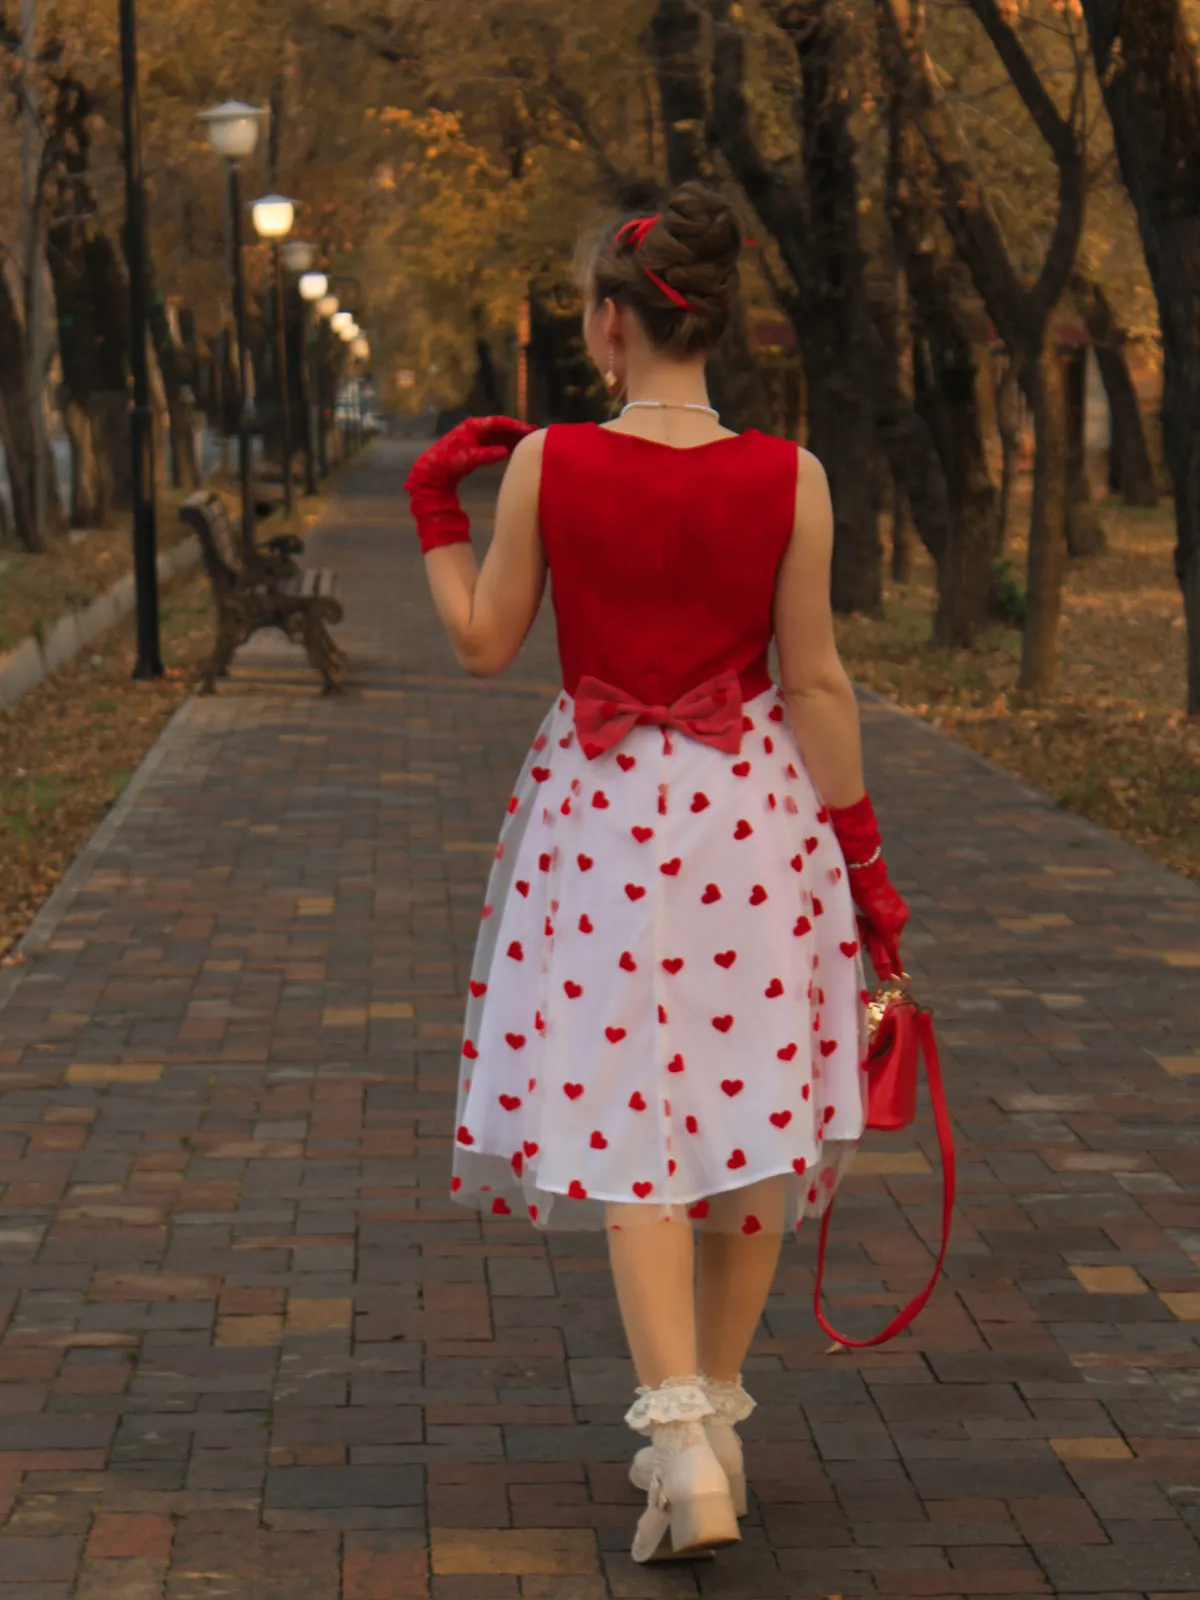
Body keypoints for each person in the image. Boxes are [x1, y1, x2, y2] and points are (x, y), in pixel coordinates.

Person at [404, 182, 909, 1564]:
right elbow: (814, 678)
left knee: (630, 1117)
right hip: (756, 813)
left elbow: (481, 644)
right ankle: (721, 1423)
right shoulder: (790, 474)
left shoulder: (556, 463)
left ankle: (680, 1443)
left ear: (611, 324)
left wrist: (438, 507)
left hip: (606, 813)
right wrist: (866, 867)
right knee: (749, 1109)